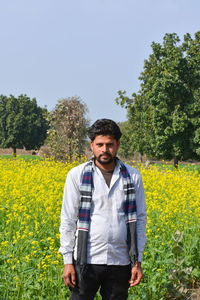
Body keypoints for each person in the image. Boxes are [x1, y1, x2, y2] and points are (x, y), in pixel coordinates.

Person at [59, 119, 147, 300]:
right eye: (99, 144)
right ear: (91, 145)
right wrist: (68, 261)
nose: (104, 150)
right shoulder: (76, 175)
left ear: (118, 145)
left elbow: (139, 219)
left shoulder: (133, 176)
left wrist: (137, 262)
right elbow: (68, 219)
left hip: (120, 259)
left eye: (109, 145)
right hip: (86, 260)